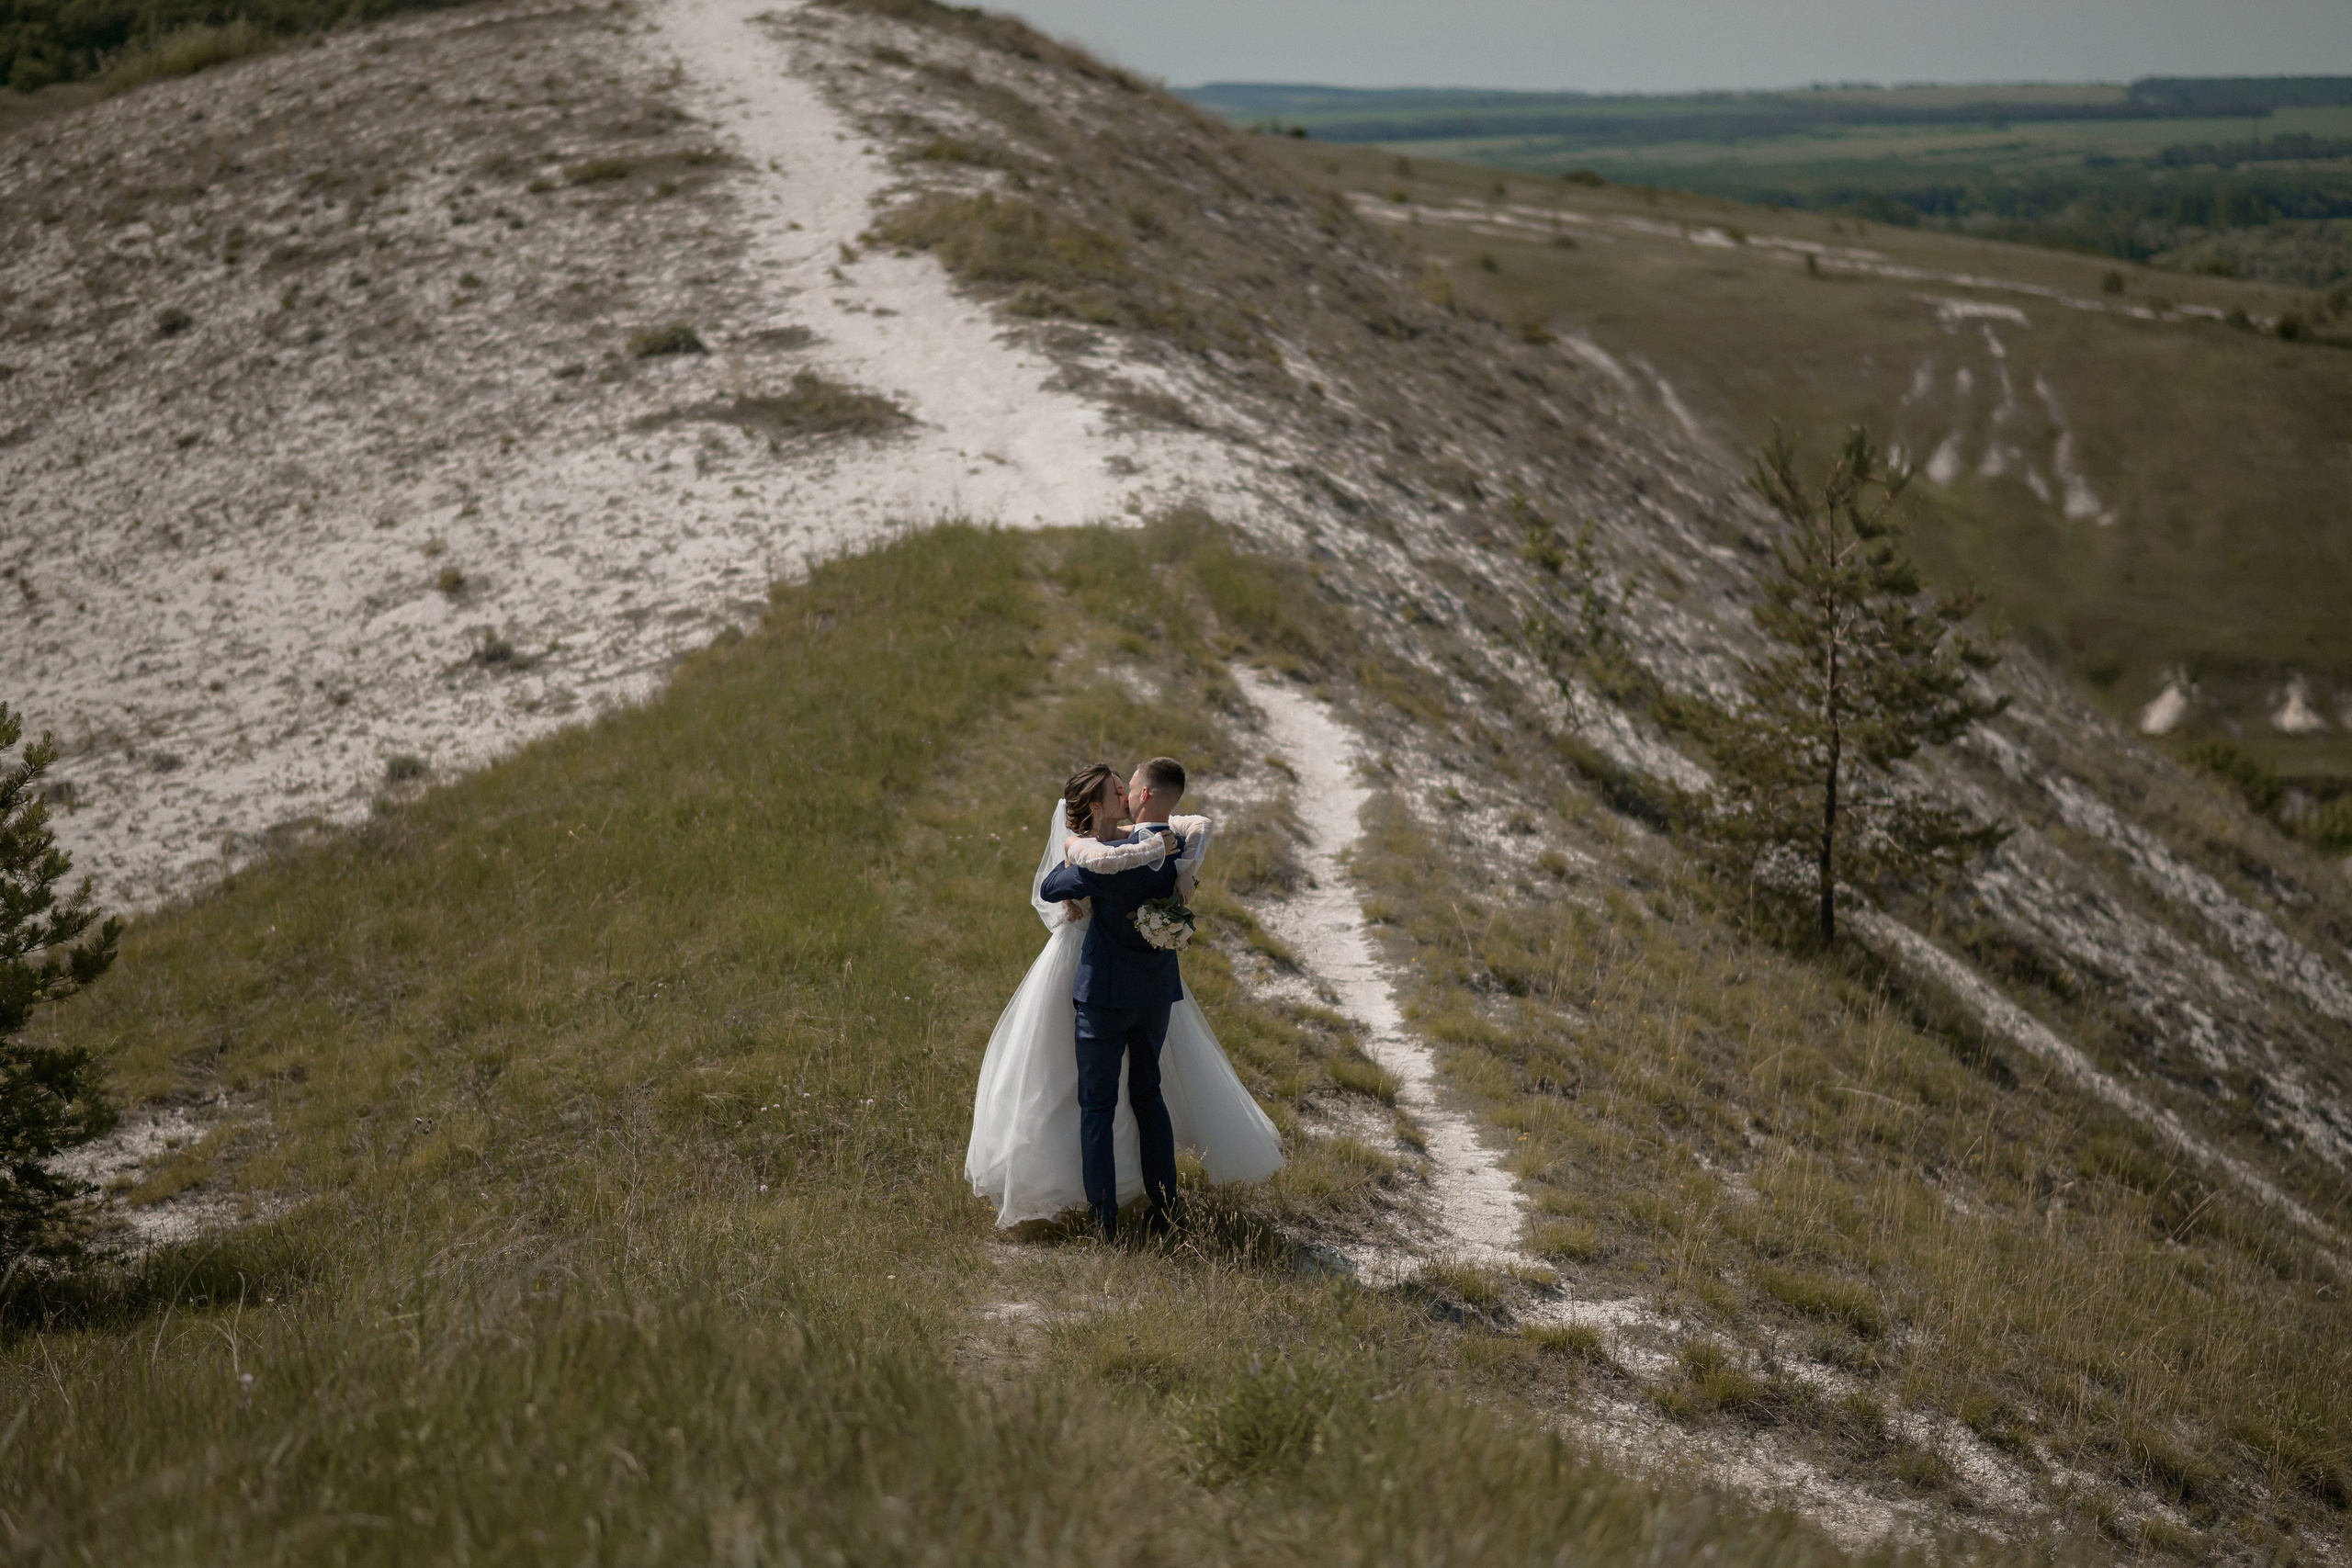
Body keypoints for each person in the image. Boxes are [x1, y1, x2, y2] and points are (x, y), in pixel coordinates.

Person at [964, 758, 1283, 1239]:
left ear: (1143, 793)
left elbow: (1052, 886)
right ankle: (1166, 1208)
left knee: (1097, 1104)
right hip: (1156, 993)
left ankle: (1104, 1220)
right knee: (1149, 1097)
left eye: (1127, 786)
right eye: (1117, 789)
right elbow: (1197, 825)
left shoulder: (1106, 859)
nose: (1125, 793)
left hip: (1104, 995)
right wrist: (1183, 868)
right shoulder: (1174, 849)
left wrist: (1074, 857)